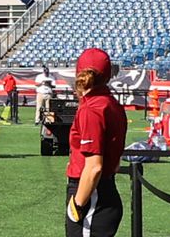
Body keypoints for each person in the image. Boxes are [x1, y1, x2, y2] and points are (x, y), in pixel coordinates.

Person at [65, 47, 127, 237]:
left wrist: (77, 205)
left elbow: (94, 168)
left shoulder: (92, 108)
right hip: (102, 192)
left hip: (93, 197)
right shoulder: (111, 104)